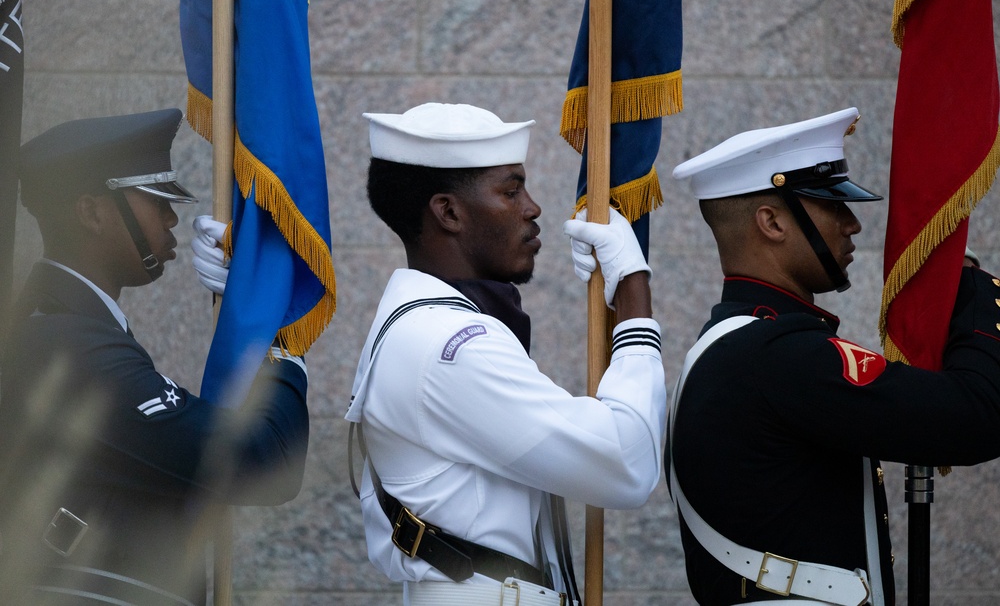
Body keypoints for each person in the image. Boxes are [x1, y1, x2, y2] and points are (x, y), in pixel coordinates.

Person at [667, 107, 1000, 605]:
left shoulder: (736, 346)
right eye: (832, 207)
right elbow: (976, 414)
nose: (853, 225)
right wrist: (972, 287)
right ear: (773, 222)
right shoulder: (777, 355)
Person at [345, 102, 667, 606]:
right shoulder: (450, 348)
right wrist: (634, 298)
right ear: (449, 212)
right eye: (511, 191)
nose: (533, 207)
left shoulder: (422, 325)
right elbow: (627, 463)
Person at [0, 109, 309, 606]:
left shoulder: (61, 324)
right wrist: (276, 338)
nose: (171, 220)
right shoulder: (75, 346)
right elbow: (265, 459)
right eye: (155, 202)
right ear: (92, 212)